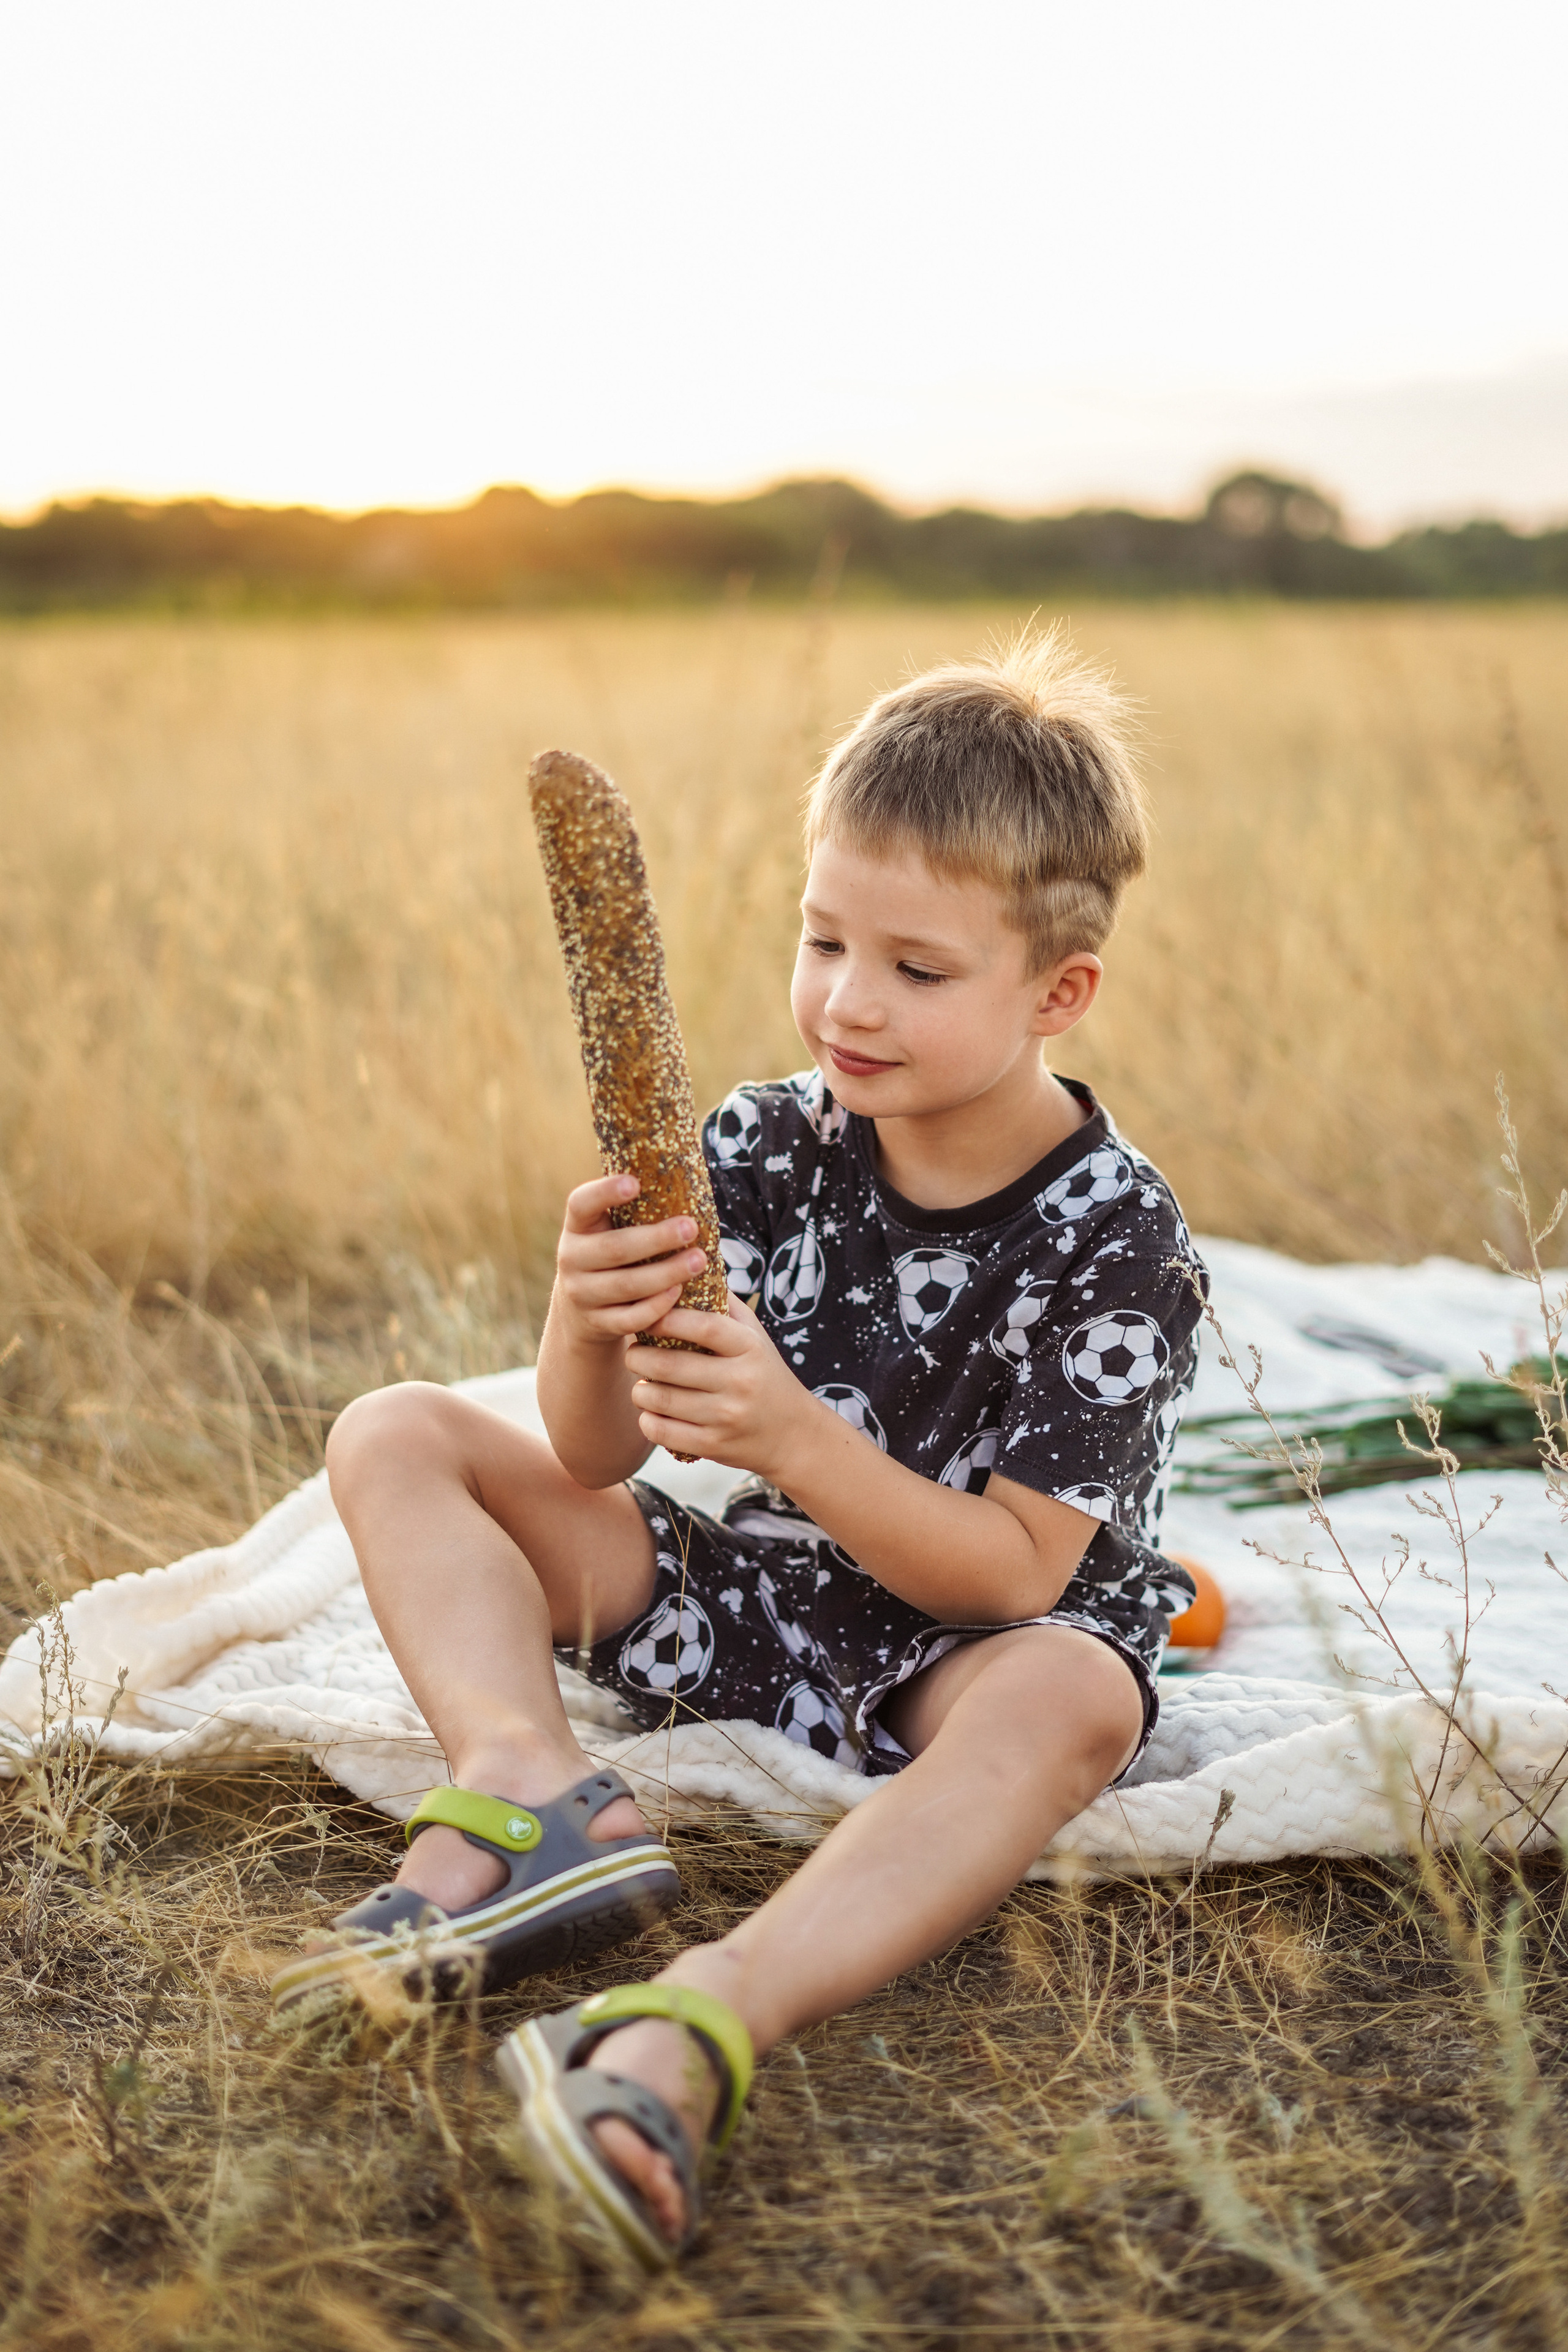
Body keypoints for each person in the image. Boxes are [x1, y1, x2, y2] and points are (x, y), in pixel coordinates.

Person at [273, 628, 1207, 2269]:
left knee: (1077, 1692)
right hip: (762, 1597)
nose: (849, 999)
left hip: (970, 1653)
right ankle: (531, 1791)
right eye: (824, 936)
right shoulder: (764, 1143)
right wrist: (587, 1312)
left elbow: (1010, 1572)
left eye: (917, 970)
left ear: (1058, 991)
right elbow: (589, 1448)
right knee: (399, 1430)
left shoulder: (1120, 1239)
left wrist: (787, 1429)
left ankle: (700, 2016)